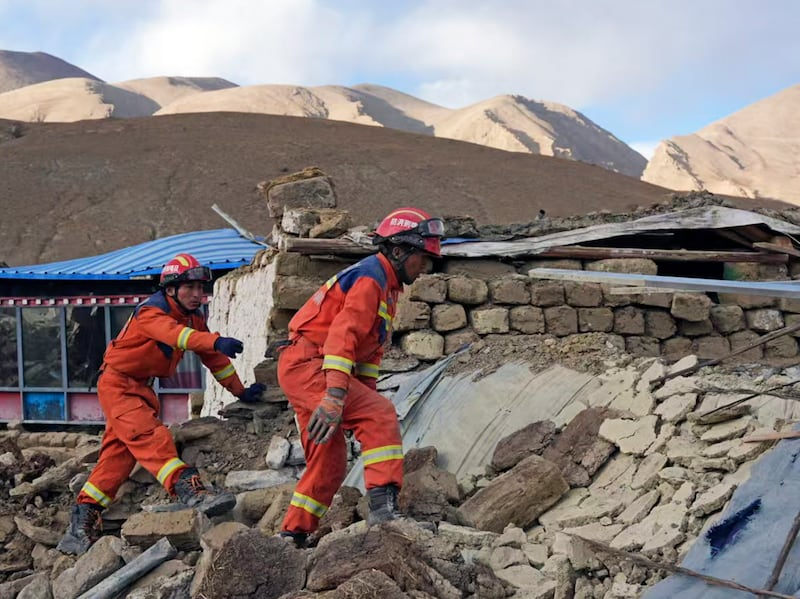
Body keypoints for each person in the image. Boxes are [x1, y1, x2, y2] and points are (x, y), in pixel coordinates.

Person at [57, 253, 266, 555]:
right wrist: (214, 340)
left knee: (118, 457)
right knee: (151, 437)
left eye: (200, 288)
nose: (197, 294)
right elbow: (178, 336)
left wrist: (240, 391)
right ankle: (190, 491)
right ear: (170, 289)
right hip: (118, 385)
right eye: (190, 288)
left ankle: (81, 525)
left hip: (140, 388)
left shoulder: (192, 318)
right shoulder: (151, 313)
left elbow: (214, 360)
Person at [276, 207, 445, 547]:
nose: (424, 266)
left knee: (330, 463)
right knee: (380, 413)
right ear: (398, 251)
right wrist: (337, 397)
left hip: (309, 366)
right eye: (421, 257)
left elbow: (367, 354)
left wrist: (358, 398)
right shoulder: (372, 279)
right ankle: (384, 512)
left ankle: (291, 535)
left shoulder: (387, 286)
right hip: (311, 365)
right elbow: (342, 338)